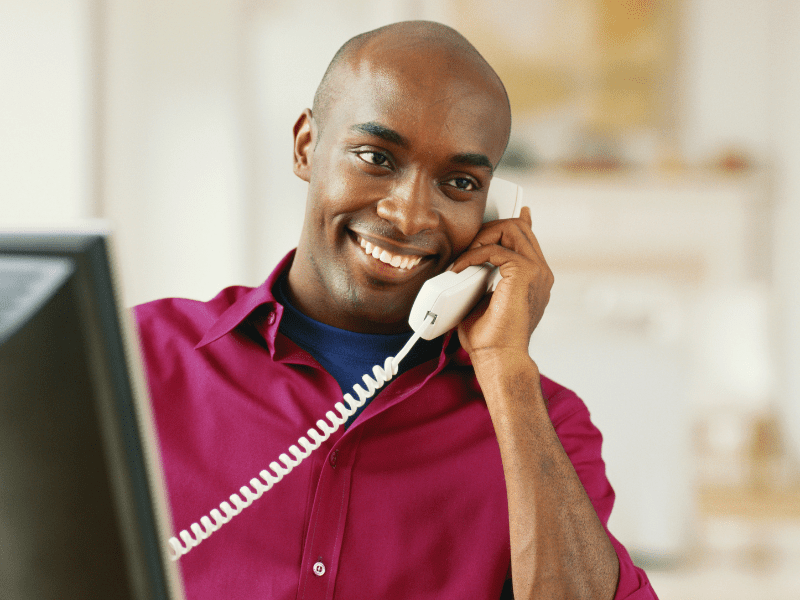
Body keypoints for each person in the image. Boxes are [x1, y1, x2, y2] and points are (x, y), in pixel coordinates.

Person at [135, 20, 658, 600]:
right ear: (307, 146)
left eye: (459, 182)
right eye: (375, 157)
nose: (409, 215)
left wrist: (507, 369)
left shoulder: (544, 423)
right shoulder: (137, 359)